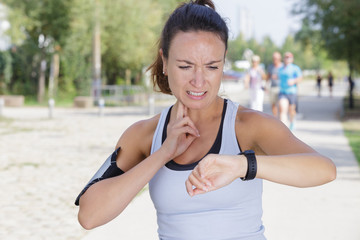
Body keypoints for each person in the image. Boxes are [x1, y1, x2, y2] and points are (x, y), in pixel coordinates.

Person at [75, 1, 336, 239]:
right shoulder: (145, 134)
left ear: (223, 64)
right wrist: (162, 154)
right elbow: (89, 216)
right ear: (164, 62)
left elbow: (324, 169)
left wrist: (241, 165)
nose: (199, 81)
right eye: (185, 66)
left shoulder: (246, 126)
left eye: (212, 67)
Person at [278, 52, 302, 131]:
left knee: (291, 110)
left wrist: (293, 81)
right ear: (284, 59)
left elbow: (300, 78)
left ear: (292, 59)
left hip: (292, 92)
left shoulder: (295, 68)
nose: (287, 59)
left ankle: (292, 122)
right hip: (282, 92)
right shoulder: (281, 68)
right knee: (282, 109)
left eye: (289, 57)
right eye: (286, 57)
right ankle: (283, 128)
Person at [266, 52, 283, 117]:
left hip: (281, 88)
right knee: (273, 104)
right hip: (273, 87)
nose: (274, 59)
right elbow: (268, 76)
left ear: (279, 58)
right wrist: (266, 86)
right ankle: (275, 118)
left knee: (281, 104)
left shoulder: (282, 66)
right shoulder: (270, 66)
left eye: (276, 58)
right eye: (273, 58)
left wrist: (277, 76)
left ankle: (281, 117)